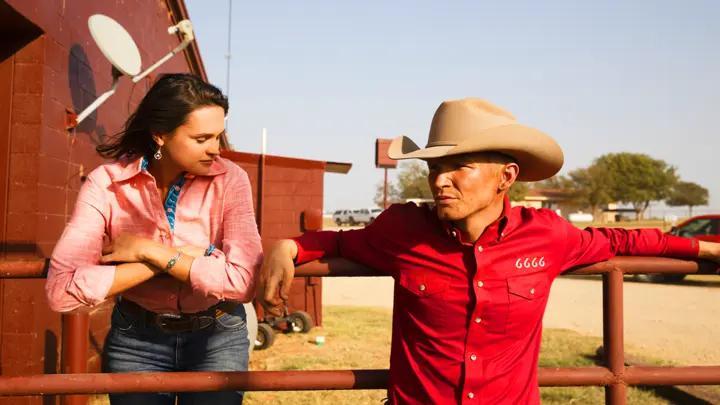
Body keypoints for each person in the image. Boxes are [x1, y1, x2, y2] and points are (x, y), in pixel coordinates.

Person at [259, 98, 720, 404]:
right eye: (435, 167)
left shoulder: (547, 235)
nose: (441, 180)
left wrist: (703, 247)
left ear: (506, 177)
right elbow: (340, 241)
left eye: (460, 166)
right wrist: (289, 246)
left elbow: (626, 240)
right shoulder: (402, 229)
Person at [46, 73, 263, 404]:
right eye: (202, 138)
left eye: (219, 136)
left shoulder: (231, 180)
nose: (216, 150)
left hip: (217, 337)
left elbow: (242, 281)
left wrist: (148, 251)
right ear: (160, 135)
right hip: (136, 342)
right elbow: (61, 291)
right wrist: (180, 256)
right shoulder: (106, 184)